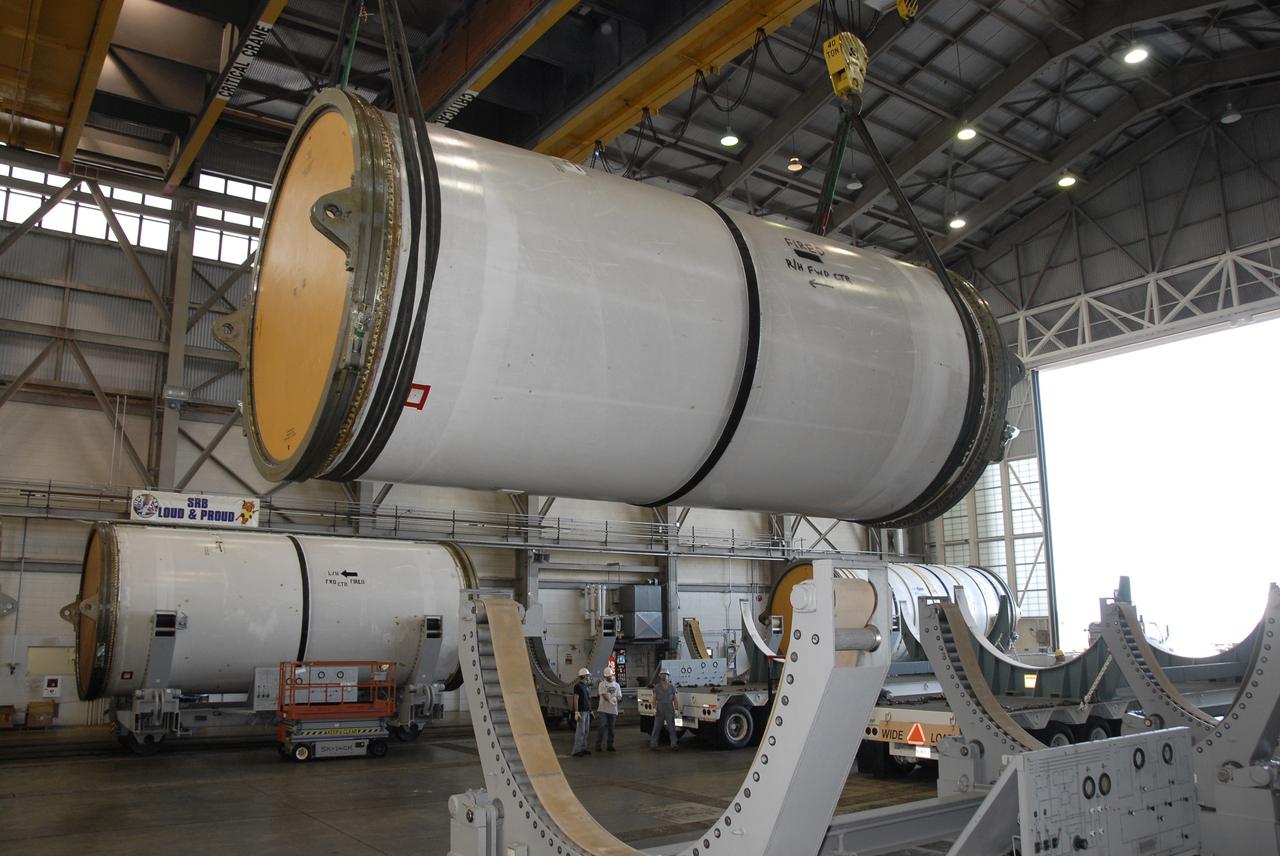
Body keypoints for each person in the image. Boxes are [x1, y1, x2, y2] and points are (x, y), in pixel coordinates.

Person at [649, 669, 680, 751]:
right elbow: (654, 699)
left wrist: (676, 709)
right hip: (660, 709)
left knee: (672, 727)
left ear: (668, 676)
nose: (664, 676)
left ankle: (674, 744)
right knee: (656, 727)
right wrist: (654, 708)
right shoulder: (657, 687)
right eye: (662, 674)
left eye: (665, 675)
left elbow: (675, 699)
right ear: (660, 676)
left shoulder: (672, 687)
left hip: (669, 708)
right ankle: (653, 744)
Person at [595, 665, 621, 752]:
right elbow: (603, 694)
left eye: (609, 676)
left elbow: (619, 696)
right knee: (601, 727)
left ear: (612, 675)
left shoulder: (617, 685)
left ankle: (610, 745)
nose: (608, 678)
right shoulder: (602, 684)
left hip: (613, 711)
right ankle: (598, 745)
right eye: (607, 677)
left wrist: (616, 699)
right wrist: (610, 700)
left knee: (611, 728)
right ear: (604, 676)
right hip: (603, 709)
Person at [571, 667, 592, 757]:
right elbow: (576, 699)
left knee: (586, 730)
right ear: (583, 676)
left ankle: (583, 748)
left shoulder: (586, 686)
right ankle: (577, 750)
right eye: (587, 676)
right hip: (581, 711)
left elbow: (588, 699)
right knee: (580, 731)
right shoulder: (577, 686)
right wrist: (576, 711)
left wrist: (590, 710)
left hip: (586, 711)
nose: (588, 677)